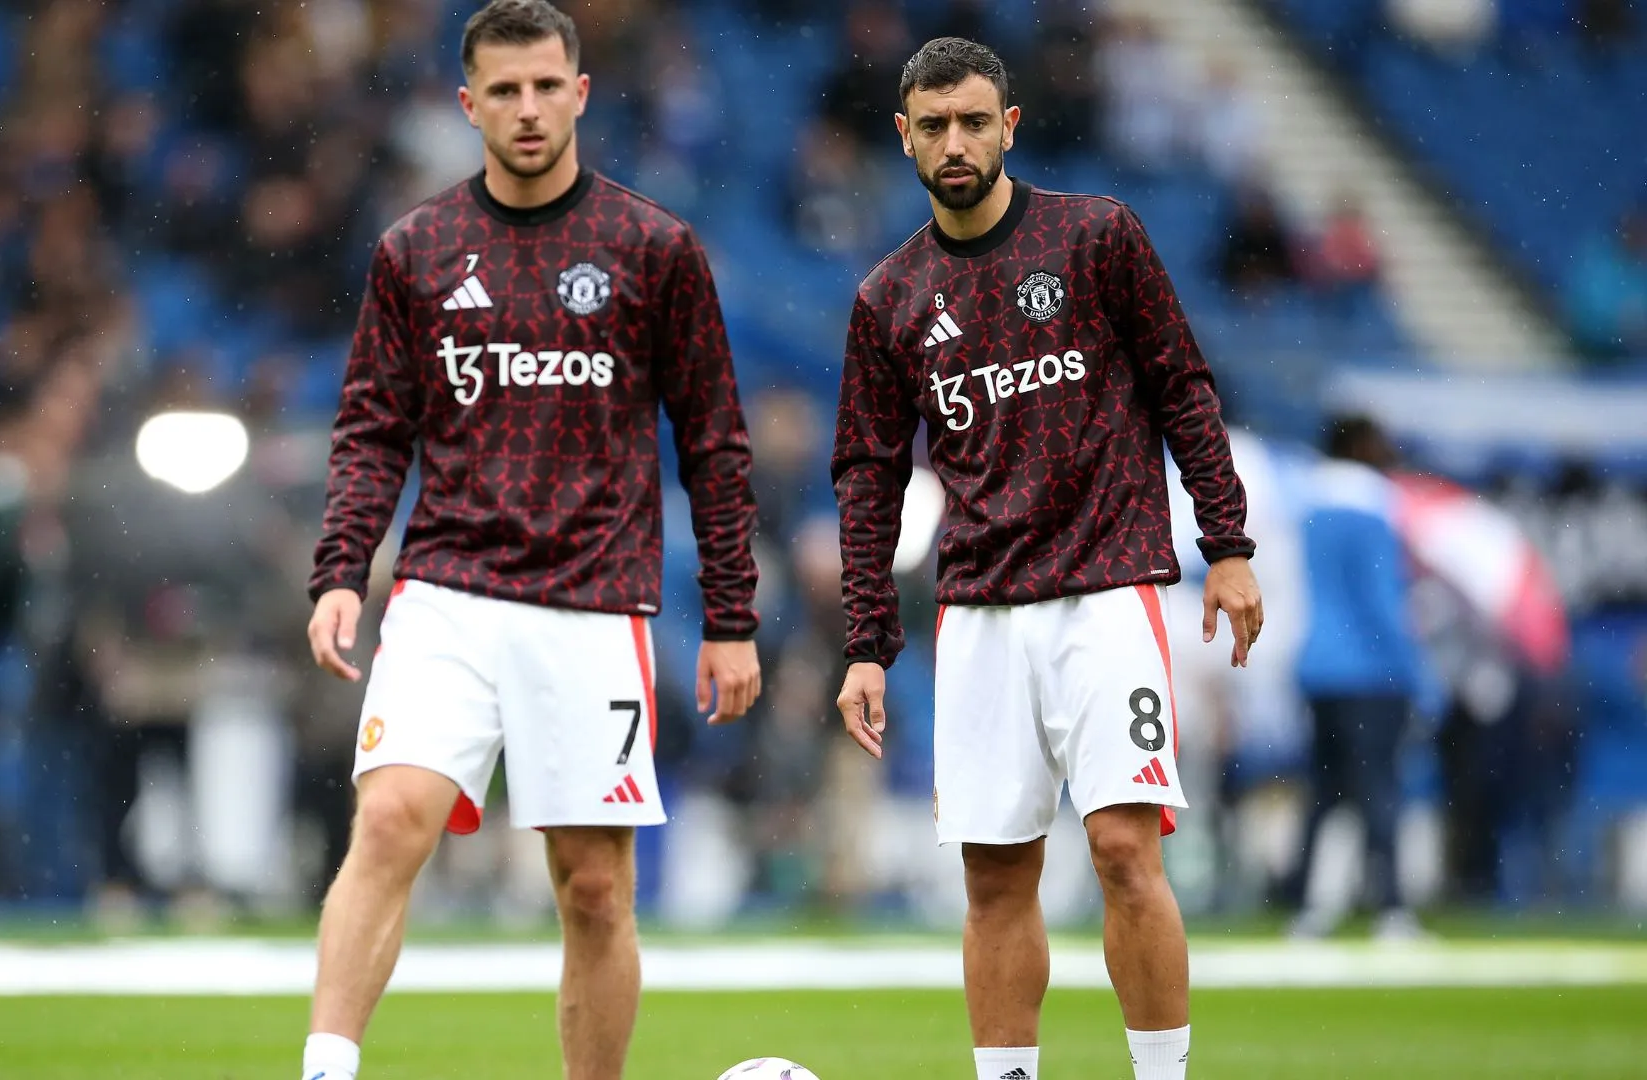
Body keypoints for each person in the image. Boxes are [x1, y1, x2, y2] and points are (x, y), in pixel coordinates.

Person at [298, 4, 763, 1079]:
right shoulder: (415, 251)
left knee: (594, 889)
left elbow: (716, 445)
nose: (527, 108)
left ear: (581, 92)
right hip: (447, 589)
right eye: (503, 91)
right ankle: (325, 1072)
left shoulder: (654, 249)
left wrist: (732, 619)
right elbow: (372, 430)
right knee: (390, 822)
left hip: (594, 605)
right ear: (467, 106)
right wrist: (339, 575)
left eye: (546, 86)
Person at [830, 38, 1264, 1080]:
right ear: (904, 138)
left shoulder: (1096, 236)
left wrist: (1229, 545)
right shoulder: (889, 299)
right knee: (994, 879)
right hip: (978, 611)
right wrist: (866, 644)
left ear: (1010, 125)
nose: (956, 142)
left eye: (974, 121)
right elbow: (867, 482)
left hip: (1106, 591)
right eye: (933, 126)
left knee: (1124, 849)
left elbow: (1184, 389)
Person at [1280, 415, 1441, 940]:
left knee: (1324, 791)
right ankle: (1390, 908)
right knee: (1379, 788)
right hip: (1371, 673)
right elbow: (1382, 604)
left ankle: (1306, 904)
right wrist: (1418, 672)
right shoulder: (1375, 507)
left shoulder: (1304, 504)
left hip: (1317, 667)